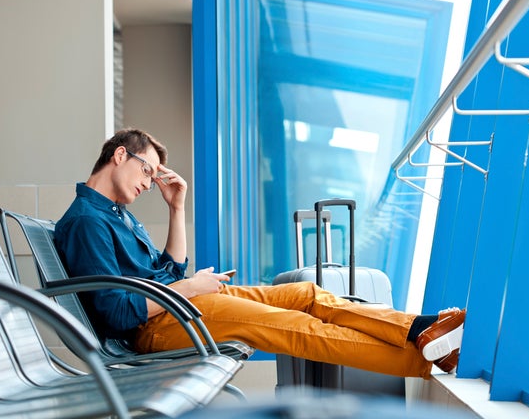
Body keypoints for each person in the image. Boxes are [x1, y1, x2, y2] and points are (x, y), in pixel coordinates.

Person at [54, 128, 465, 378]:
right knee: (293, 327)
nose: (149, 183)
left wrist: (177, 208)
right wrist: (190, 286)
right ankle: (424, 362)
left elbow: (168, 268)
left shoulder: (116, 216)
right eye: (147, 170)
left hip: (181, 304)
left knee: (306, 296)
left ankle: (417, 328)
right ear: (120, 155)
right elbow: (116, 313)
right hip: (158, 327)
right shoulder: (88, 222)